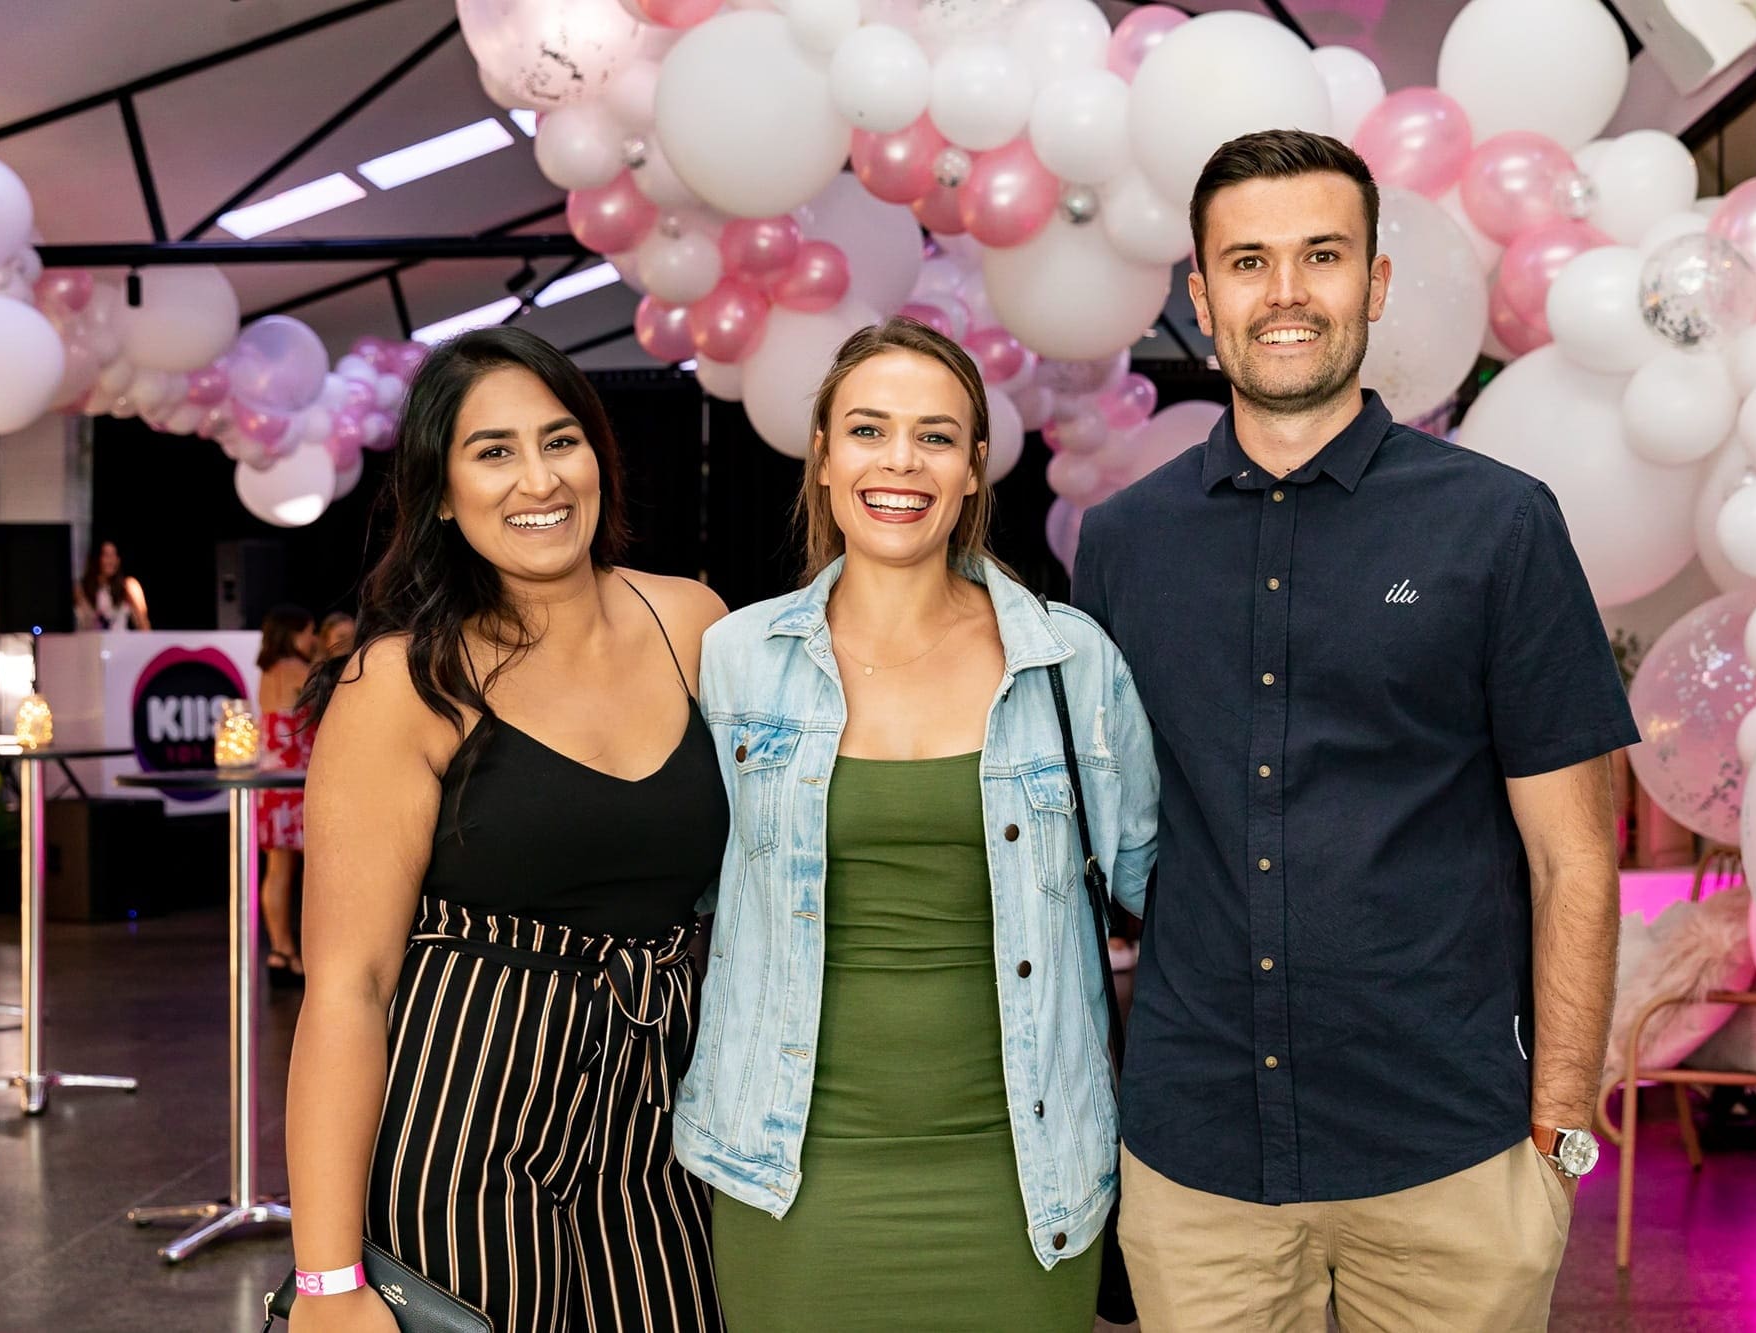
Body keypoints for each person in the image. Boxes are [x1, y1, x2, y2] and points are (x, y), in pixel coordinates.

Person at [1071, 129, 1640, 1332]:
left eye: (1320, 256)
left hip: (1448, 1149)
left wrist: (1560, 1113)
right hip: (1198, 1159)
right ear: (1200, 296)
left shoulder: (1496, 527)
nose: (1284, 293)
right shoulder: (1123, 544)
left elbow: (1574, 855)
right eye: (1247, 261)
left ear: (1374, 284)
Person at [674, 317, 1159, 1330]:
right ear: (820, 455)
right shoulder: (734, 662)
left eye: (935, 436)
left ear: (976, 469)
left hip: (1026, 1181)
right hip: (789, 1178)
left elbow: (1169, 896)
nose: (900, 461)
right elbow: (675, 892)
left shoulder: (1068, 663)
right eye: (867, 429)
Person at [283, 326, 728, 1333]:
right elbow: (347, 990)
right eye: (493, 451)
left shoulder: (694, 623)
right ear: (440, 492)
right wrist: (327, 1281)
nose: (540, 478)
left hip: (662, 1109)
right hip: (466, 1115)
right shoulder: (401, 684)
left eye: (559, 439)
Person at [256, 603, 318, 986]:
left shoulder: (266, 673)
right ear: (295, 634)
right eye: (309, 632)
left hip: (270, 783)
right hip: (300, 784)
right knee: (318, 872)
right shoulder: (300, 671)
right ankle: (312, 957)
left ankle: (281, 950)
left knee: (277, 870)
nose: (312, 640)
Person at [73, 539, 150, 629]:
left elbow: (143, 623)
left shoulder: (128, 586)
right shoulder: (81, 588)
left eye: (114, 555)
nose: (111, 560)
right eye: (106, 555)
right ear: (97, 558)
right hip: (90, 641)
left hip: (118, 641)